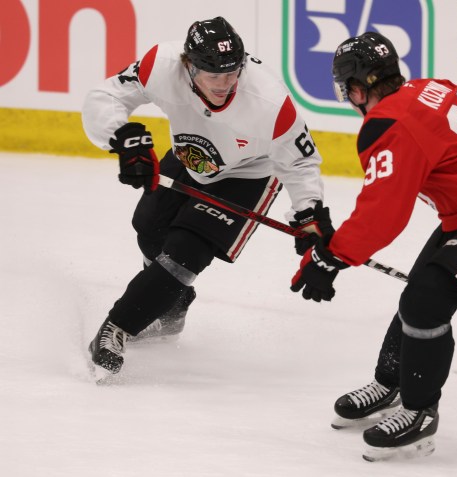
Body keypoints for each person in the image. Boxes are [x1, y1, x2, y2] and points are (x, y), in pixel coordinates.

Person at [290, 32, 457, 460]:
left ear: (357, 89)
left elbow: (384, 214)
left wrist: (331, 257)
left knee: (427, 300)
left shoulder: (388, 126)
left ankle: (419, 413)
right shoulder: (432, 88)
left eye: (348, 90)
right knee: (419, 291)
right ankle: (391, 381)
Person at [82, 17, 334, 379]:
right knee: (149, 229)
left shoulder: (269, 100)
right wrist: (121, 138)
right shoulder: (162, 64)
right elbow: (106, 96)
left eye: (232, 74)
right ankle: (170, 309)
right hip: (189, 156)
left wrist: (310, 214)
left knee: (186, 253)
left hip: (248, 175)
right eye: (213, 76)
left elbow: (300, 161)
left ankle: (117, 327)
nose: (224, 84)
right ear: (189, 65)